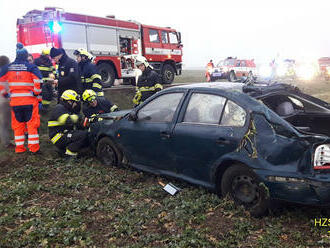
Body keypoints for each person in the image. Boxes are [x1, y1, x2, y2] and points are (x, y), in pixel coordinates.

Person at [0, 43, 42, 154]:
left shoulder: (8, 68)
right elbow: (38, 80)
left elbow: (1, 81)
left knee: (18, 125)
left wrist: (4, 93)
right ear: (26, 56)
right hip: (29, 101)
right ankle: (34, 148)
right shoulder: (31, 67)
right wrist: (36, 93)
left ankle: (19, 148)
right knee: (31, 125)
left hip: (15, 102)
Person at [48, 89, 89, 156]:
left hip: (64, 133)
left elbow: (75, 123)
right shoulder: (59, 108)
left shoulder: (66, 109)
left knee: (84, 133)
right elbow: (66, 120)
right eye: (74, 102)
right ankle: (70, 154)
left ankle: (64, 151)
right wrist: (78, 117)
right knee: (82, 135)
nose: (75, 104)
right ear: (69, 101)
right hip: (58, 136)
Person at [0, 55, 13, 148]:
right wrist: (6, 95)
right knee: (4, 123)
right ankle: (6, 143)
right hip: (4, 101)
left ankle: (5, 140)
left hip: (3, 100)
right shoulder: (4, 72)